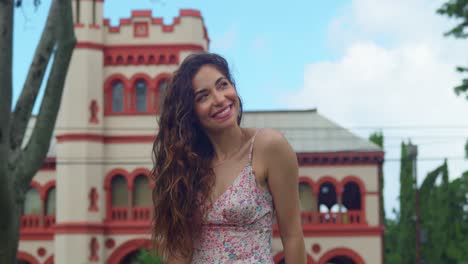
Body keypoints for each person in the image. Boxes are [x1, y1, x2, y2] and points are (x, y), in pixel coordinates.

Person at [151, 53, 306, 263]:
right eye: (203, 96)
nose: (219, 99)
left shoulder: (268, 146)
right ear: (190, 112)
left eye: (222, 85)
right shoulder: (188, 167)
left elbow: (293, 237)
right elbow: (181, 252)